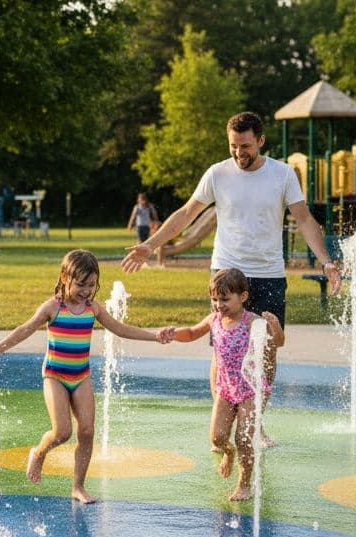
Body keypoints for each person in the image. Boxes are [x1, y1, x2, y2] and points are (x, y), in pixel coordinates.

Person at [121, 111, 341, 445]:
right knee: (222, 350)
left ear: (261, 141)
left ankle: (254, 423)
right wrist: (151, 245)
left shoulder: (282, 174)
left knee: (267, 350)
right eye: (234, 146)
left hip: (268, 273)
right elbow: (186, 213)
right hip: (226, 270)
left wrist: (326, 262)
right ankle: (222, 421)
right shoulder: (217, 174)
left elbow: (305, 219)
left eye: (246, 146)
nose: (239, 152)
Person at [0, 249, 173, 504]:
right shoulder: (53, 307)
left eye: (91, 285)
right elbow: (25, 329)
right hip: (55, 376)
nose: (86, 290)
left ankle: (78, 487)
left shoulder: (93, 308)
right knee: (62, 432)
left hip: (81, 376)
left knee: (86, 431)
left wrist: (155, 336)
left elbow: (120, 329)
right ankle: (39, 452)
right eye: (81, 284)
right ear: (65, 278)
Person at [166, 269, 285, 501]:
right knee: (217, 438)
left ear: (243, 297)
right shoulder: (214, 319)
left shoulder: (252, 322)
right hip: (226, 389)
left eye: (225, 299)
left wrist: (275, 326)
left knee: (244, 438)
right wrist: (173, 333)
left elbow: (277, 343)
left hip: (250, 389)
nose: (219, 305)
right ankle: (229, 453)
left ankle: (244, 484)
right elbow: (192, 332)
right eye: (215, 299)